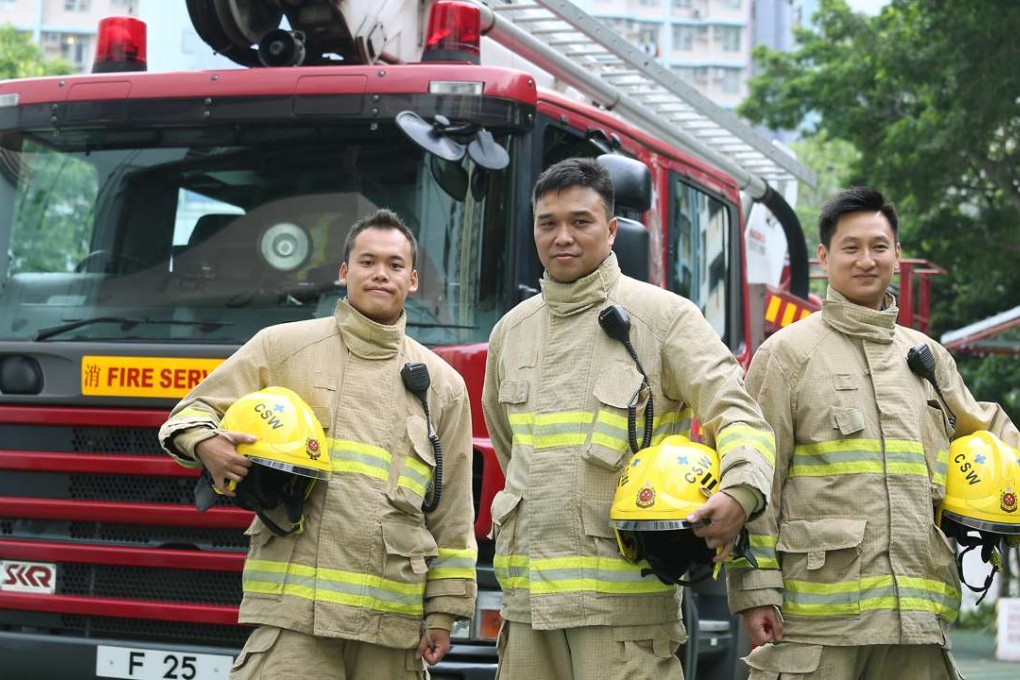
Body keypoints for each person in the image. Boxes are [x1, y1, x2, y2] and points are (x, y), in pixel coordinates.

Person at [481, 157, 776, 680]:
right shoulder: (510, 333)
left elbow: (739, 415)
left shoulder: (663, 319)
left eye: (581, 221)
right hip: (527, 613)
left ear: (613, 230)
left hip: (624, 616)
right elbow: (512, 449)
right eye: (548, 224)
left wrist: (740, 493)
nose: (562, 237)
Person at [158, 208, 477, 680]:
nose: (380, 274)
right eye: (367, 262)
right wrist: (206, 444)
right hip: (293, 618)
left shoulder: (443, 387)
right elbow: (190, 412)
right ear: (344, 272)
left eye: (394, 265)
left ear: (412, 280)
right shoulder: (281, 348)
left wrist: (444, 611)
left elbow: (453, 515)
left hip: (391, 626)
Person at [729, 187, 1020, 679]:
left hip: (917, 628)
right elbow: (758, 479)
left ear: (898, 254)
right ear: (824, 257)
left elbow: (990, 433)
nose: (867, 260)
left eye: (879, 246)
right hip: (817, 629)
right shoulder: (787, 355)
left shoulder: (928, 358)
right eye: (851, 248)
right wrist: (755, 591)